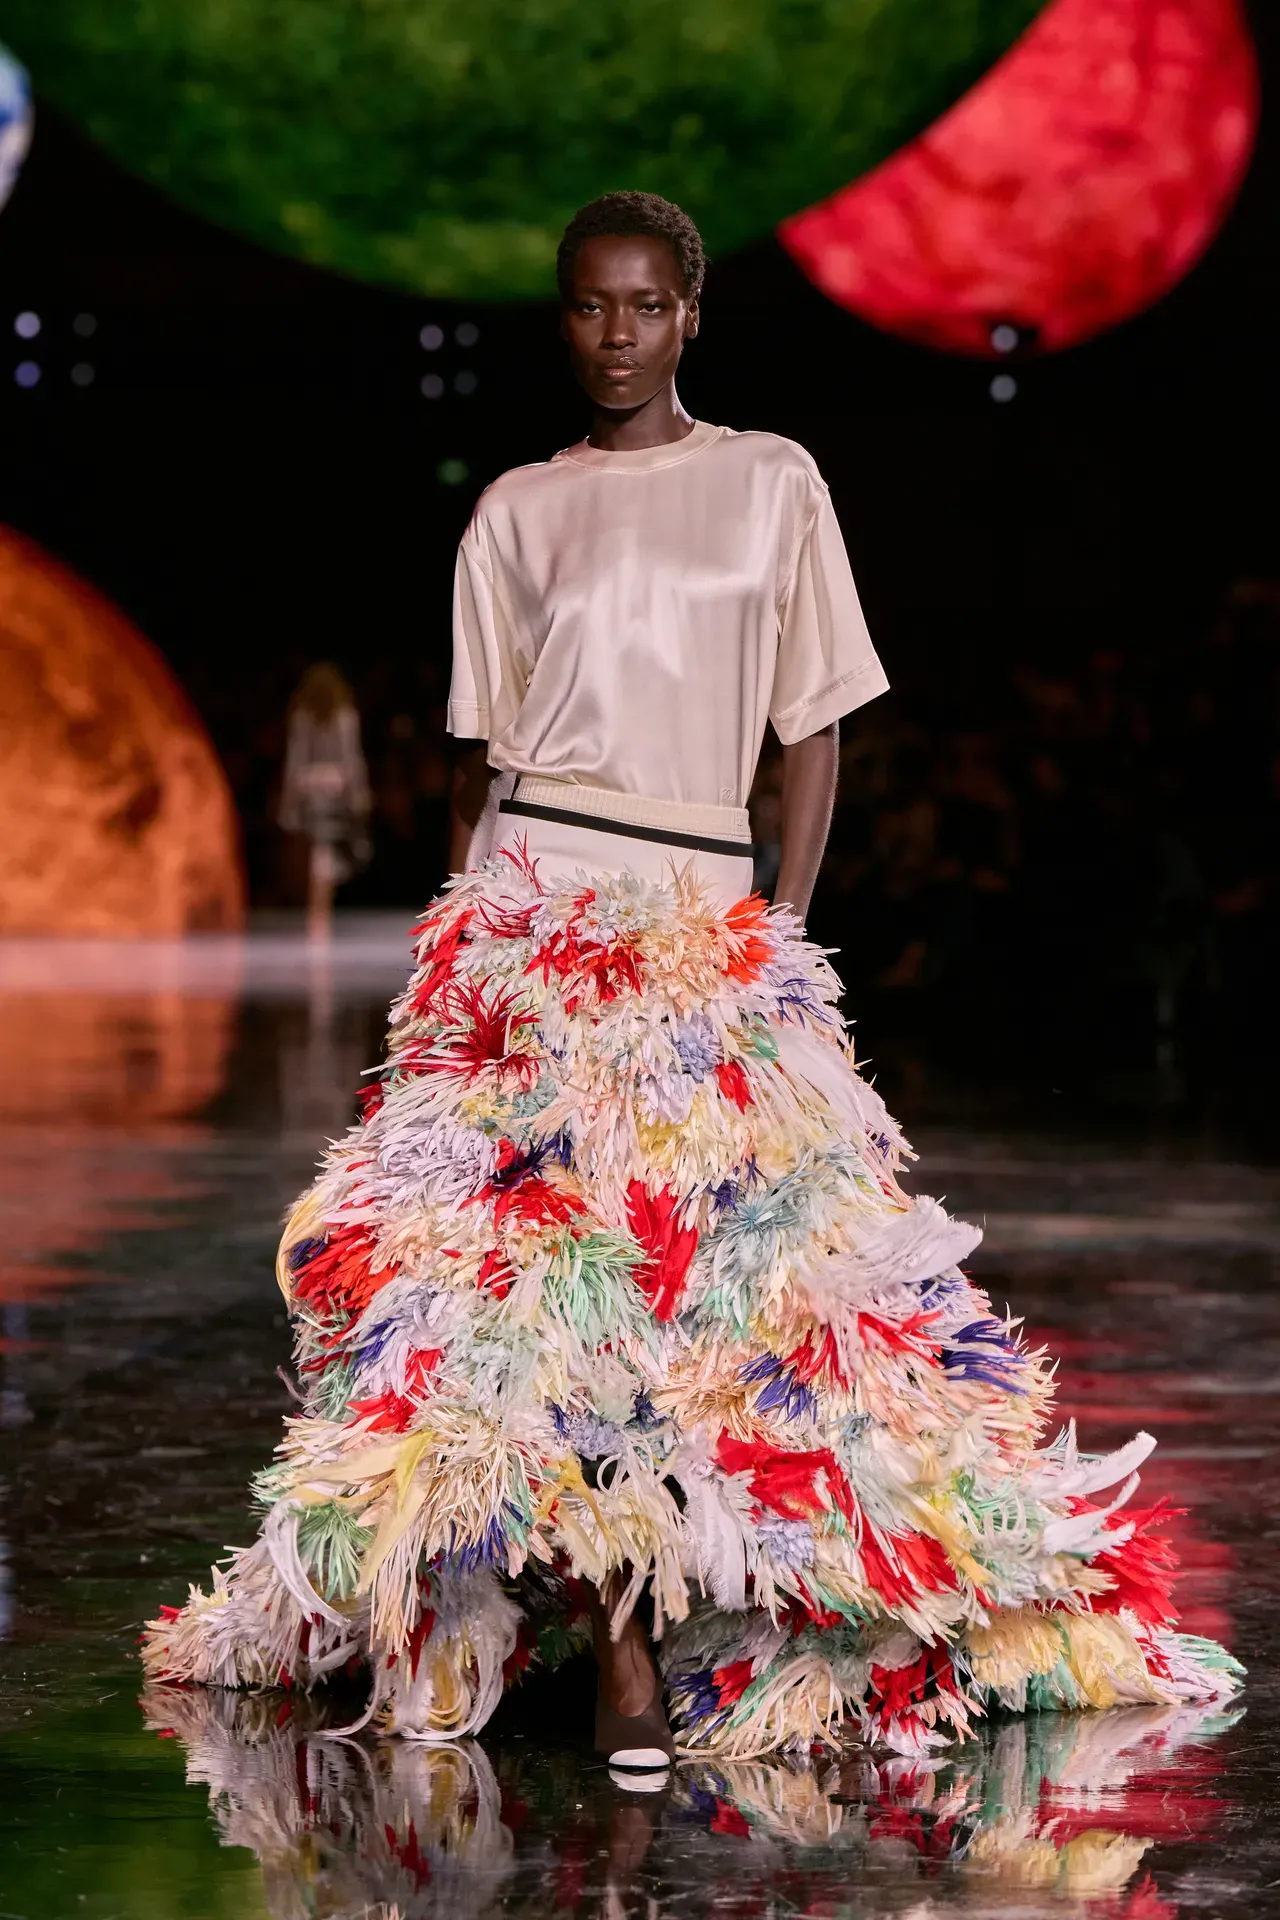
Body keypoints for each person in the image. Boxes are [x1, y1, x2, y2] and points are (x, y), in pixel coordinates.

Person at [144, 193, 1239, 1774]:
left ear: (692, 315)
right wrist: (453, 961)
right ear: (564, 319)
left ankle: (704, 1611)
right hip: (533, 913)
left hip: (705, 920)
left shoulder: (773, 480)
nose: (617, 334)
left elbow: (816, 730)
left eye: (646, 305)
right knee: (540, 1297)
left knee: (728, 1292)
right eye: (590, 306)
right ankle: (620, 1647)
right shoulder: (515, 511)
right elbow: (473, 766)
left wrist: (779, 930)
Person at [278, 662, 372, 939]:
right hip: (336, 787)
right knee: (325, 853)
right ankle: (320, 911)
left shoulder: (303, 716)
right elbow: (352, 759)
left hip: (309, 787)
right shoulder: (345, 715)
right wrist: (358, 795)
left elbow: (295, 761)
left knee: (320, 853)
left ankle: (317, 911)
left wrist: (289, 802)